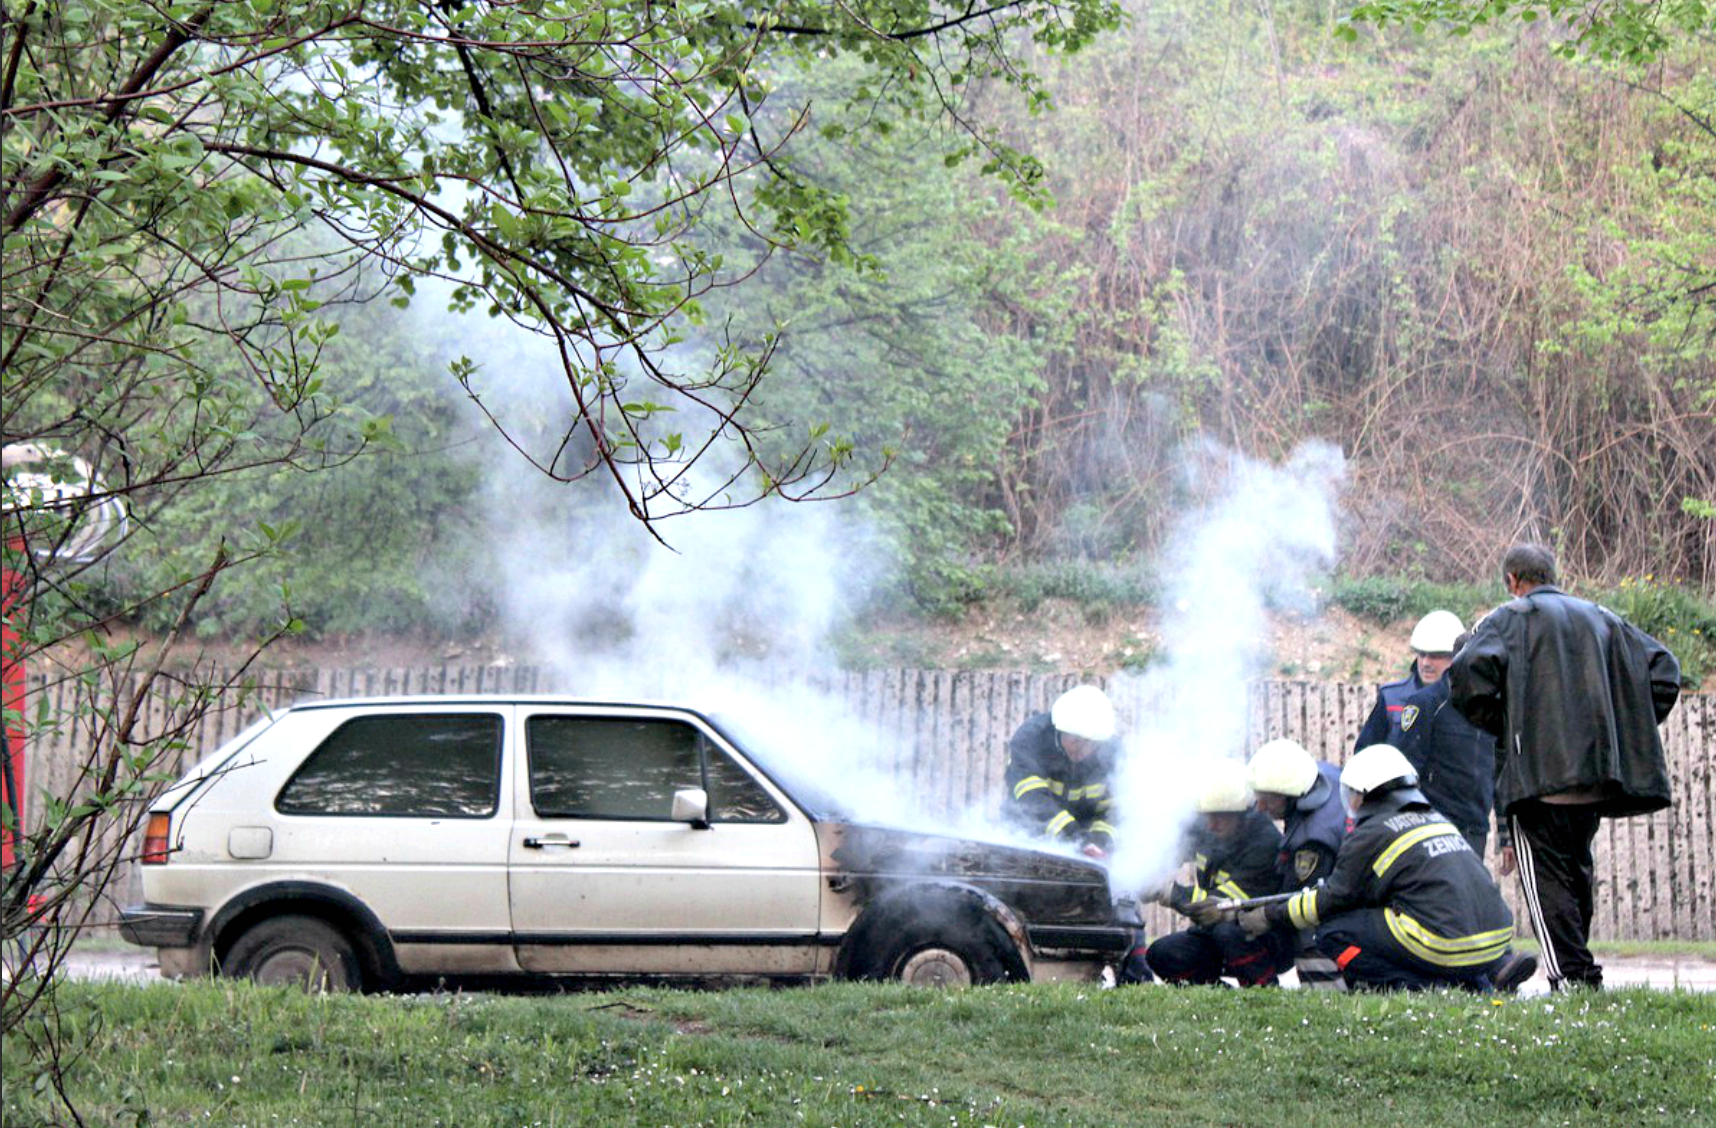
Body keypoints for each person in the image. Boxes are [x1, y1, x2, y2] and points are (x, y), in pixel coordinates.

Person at [1448, 543, 1681, 991]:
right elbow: (1665, 672)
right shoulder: (1603, 617)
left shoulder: (1509, 618)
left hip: (1540, 782)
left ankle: (1573, 979)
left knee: (1547, 883)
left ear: (1513, 581)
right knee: (1576, 874)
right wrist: (1624, 724)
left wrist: (1506, 723)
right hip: (1596, 779)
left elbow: (1465, 673)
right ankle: (1578, 972)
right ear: (1552, 575)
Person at [1253, 743, 1535, 992]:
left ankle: (1429, 986)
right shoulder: (1436, 818)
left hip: (1445, 944)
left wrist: (1269, 915)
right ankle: (1485, 977)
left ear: (1364, 795)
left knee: (1333, 932)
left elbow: (1332, 900)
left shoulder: (1370, 833)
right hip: (1495, 937)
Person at [1142, 759, 1291, 987]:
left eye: (1220, 816)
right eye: (1207, 816)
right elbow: (1170, 850)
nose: (1211, 825)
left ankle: (1264, 989)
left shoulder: (1265, 844)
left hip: (1264, 936)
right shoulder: (1206, 827)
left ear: (1244, 814)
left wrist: (1169, 892)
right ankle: (1217, 993)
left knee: (1226, 931)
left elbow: (1220, 907)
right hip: (1215, 931)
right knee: (1161, 953)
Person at [1246, 738, 1350, 988]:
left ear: (1295, 797)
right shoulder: (1322, 776)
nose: (1260, 808)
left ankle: (1326, 997)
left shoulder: (1313, 841)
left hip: (1343, 914)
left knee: (1307, 929)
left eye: (1269, 800)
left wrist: (1266, 916)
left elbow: (1306, 902)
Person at [1396, 631, 1496, 859]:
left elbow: (1500, 770)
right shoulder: (1426, 703)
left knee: (1468, 894)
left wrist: (1506, 833)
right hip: (1433, 825)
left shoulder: (1493, 706)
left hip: (1475, 828)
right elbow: (1407, 769)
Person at [1003, 685, 1120, 858]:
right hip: (1026, 838)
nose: (1084, 751)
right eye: (1076, 741)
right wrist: (1076, 839)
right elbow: (1032, 800)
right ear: (1059, 731)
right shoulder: (1031, 740)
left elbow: (1115, 812)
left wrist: (1099, 842)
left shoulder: (1112, 755)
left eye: (1092, 744)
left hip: (1085, 849)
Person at [1353, 609, 1464, 753]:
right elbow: (1365, 753)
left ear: (1456, 657)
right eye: (1422, 654)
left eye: (1435, 656)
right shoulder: (1391, 698)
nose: (1425, 663)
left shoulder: (1470, 703)